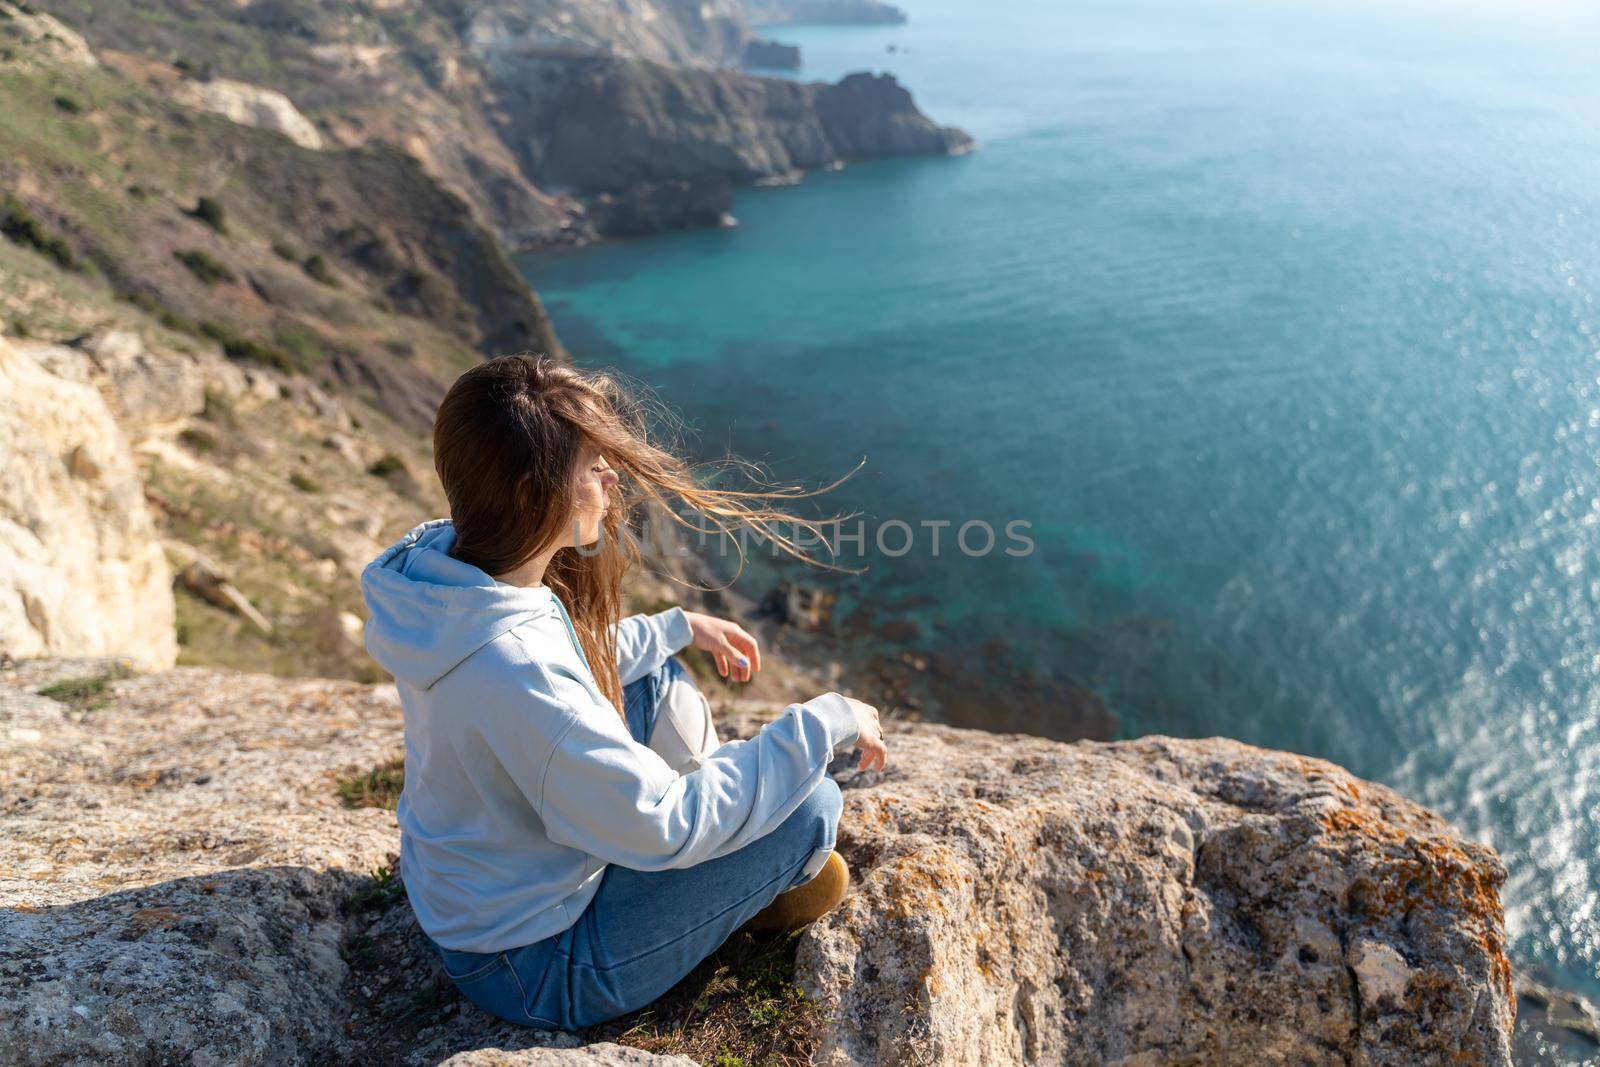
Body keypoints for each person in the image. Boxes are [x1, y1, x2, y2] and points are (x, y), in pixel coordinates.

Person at [359, 353, 889, 1031]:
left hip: (480, 893)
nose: (612, 476)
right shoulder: (515, 668)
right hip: (537, 964)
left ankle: (720, 862)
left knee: (652, 673)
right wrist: (823, 721)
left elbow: (570, 662)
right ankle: (744, 891)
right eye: (592, 466)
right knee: (811, 803)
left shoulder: (446, 572)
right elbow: (659, 818)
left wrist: (676, 626)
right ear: (531, 495)